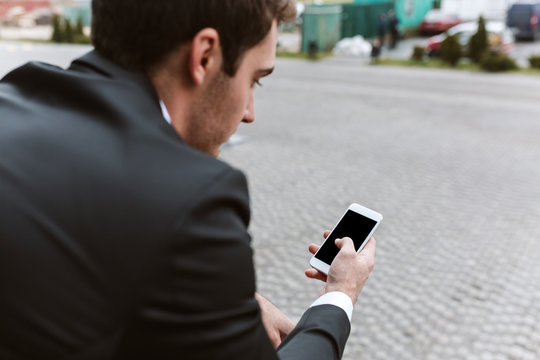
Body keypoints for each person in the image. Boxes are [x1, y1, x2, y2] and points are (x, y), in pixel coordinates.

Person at [0, 1, 377, 359]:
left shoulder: (16, 93)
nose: (249, 113)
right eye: (254, 80)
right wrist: (340, 294)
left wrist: (220, 302)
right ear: (205, 57)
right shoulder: (192, 199)